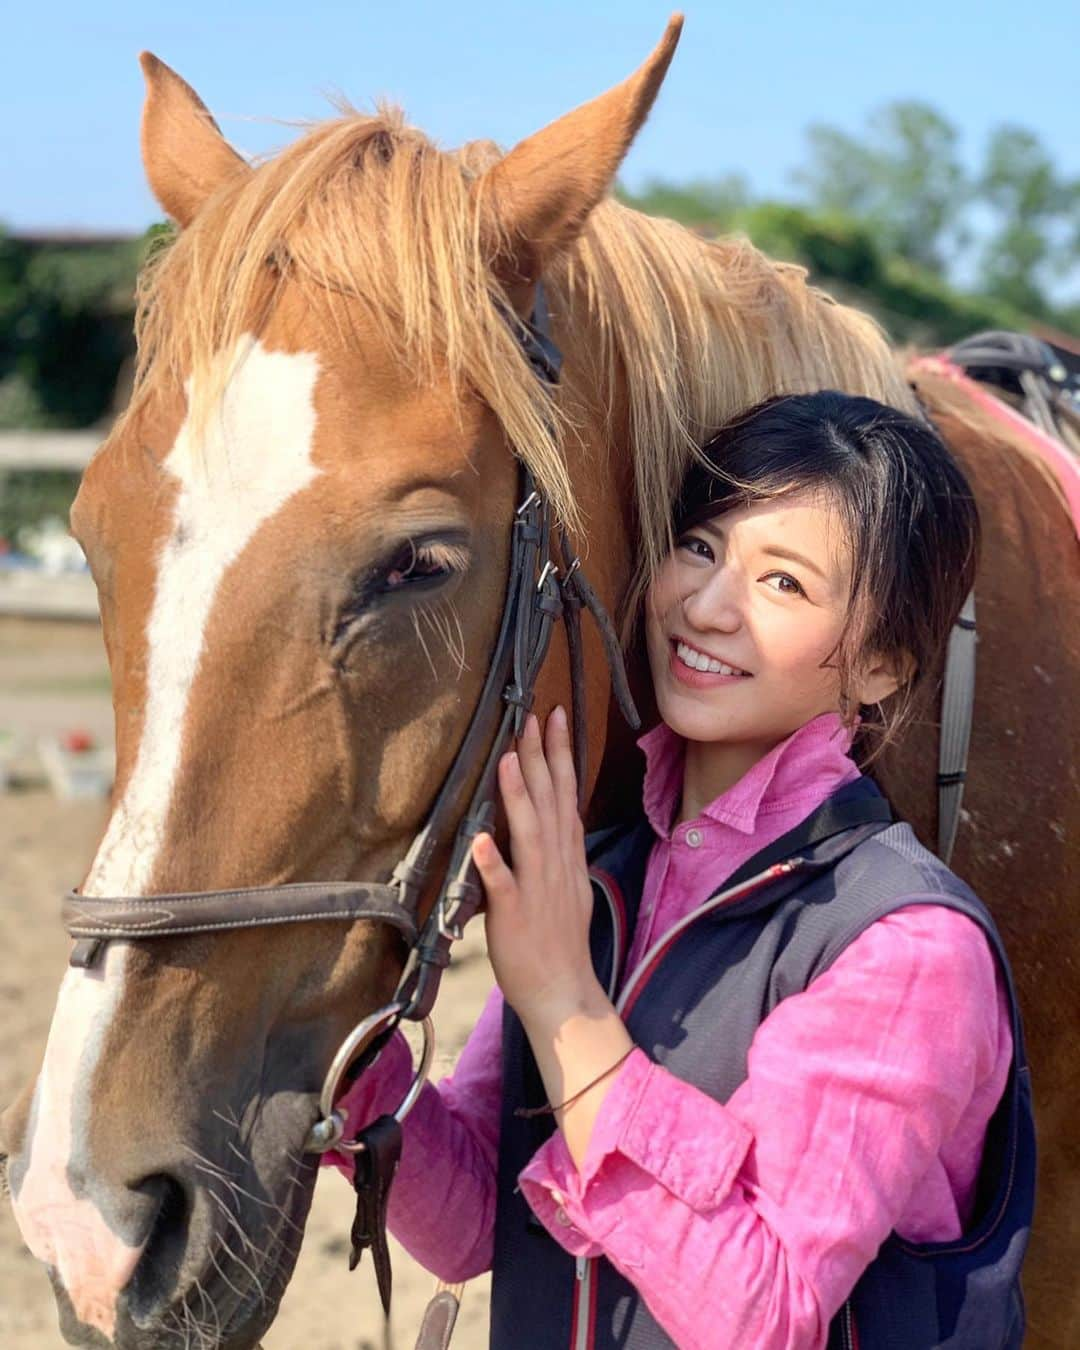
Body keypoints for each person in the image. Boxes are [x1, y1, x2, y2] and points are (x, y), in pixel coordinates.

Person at [329, 391, 1033, 1349]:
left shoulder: (904, 948)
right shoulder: (601, 872)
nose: (705, 607)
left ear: (879, 667)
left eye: (784, 583)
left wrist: (567, 1007)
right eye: (700, 546)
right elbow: (470, 1228)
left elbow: (763, 1312)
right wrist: (340, 1045)